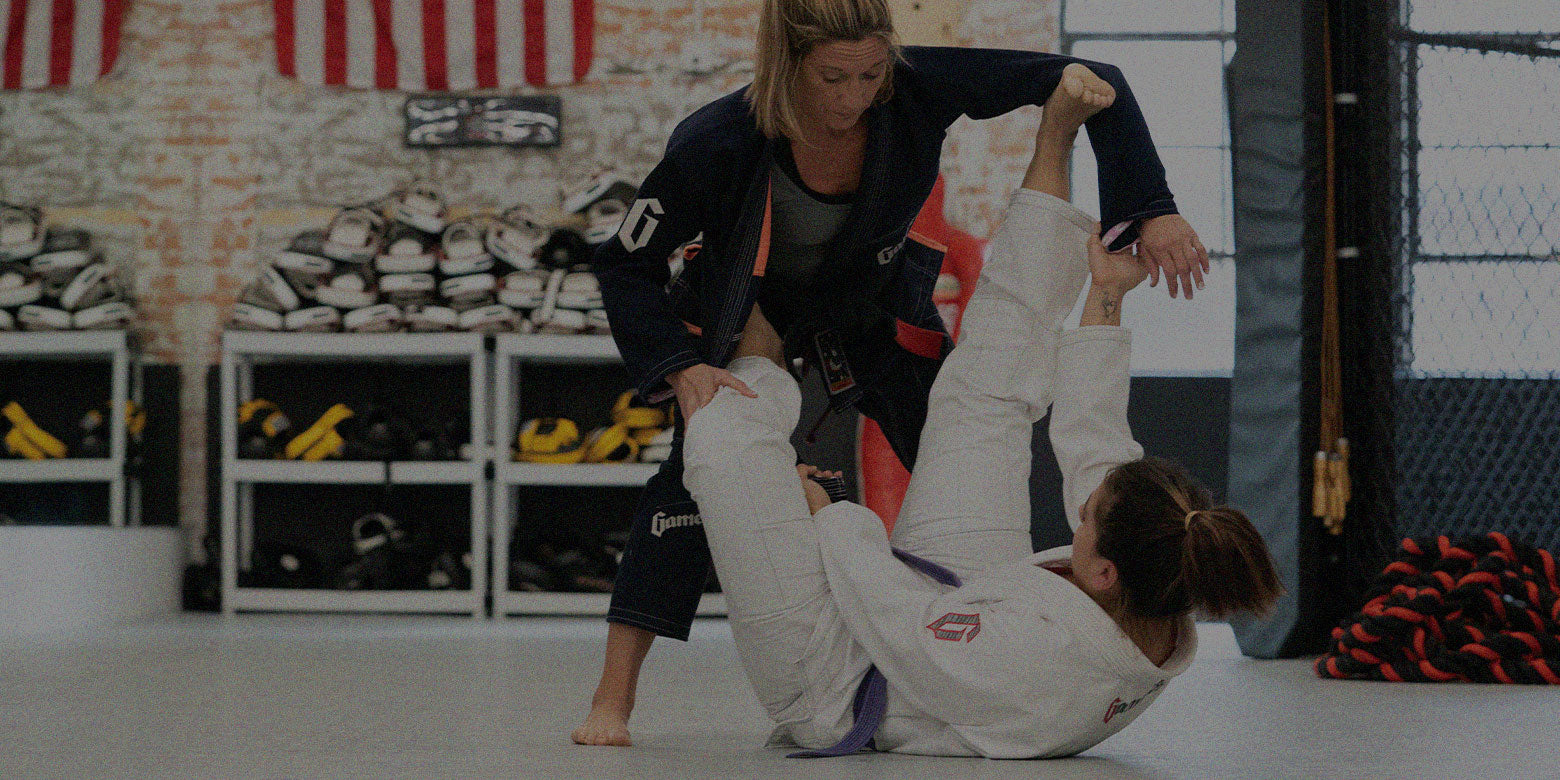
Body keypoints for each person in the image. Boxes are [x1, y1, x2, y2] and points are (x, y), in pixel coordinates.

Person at [578, 0, 1211, 745]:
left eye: (870, 74)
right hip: (758, 312)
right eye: (833, 78)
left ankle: (965, 609)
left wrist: (1154, 208)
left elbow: (1090, 80)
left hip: (862, 326)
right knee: (703, 471)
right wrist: (679, 366)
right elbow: (623, 260)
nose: (853, 98)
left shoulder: (910, 89)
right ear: (786, 64)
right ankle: (612, 698)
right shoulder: (717, 139)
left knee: (899, 428)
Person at [675, 78, 1281, 757]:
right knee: (986, 396)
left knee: (725, 443)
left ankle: (759, 346)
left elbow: (898, 618)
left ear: (1104, 573)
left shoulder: (1041, 658)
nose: (1078, 511)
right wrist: (1106, 297)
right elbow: (1096, 445)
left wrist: (824, 511)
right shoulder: (1152, 569)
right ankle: (1053, 134)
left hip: (837, 675)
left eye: (1086, 520)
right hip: (973, 599)